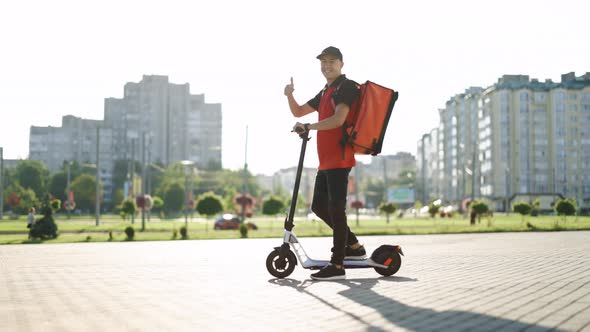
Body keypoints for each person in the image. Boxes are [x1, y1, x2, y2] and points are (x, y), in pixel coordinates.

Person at [284, 46, 366, 281]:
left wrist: (308, 126)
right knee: (319, 207)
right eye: (323, 62)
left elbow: (339, 119)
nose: (327, 65)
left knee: (336, 211)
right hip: (326, 161)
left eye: (332, 61)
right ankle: (354, 246)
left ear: (341, 63)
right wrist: (290, 95)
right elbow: (299, 111)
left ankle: (337, 264)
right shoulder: (326, 91)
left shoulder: (346, 87)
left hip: (340, 158)